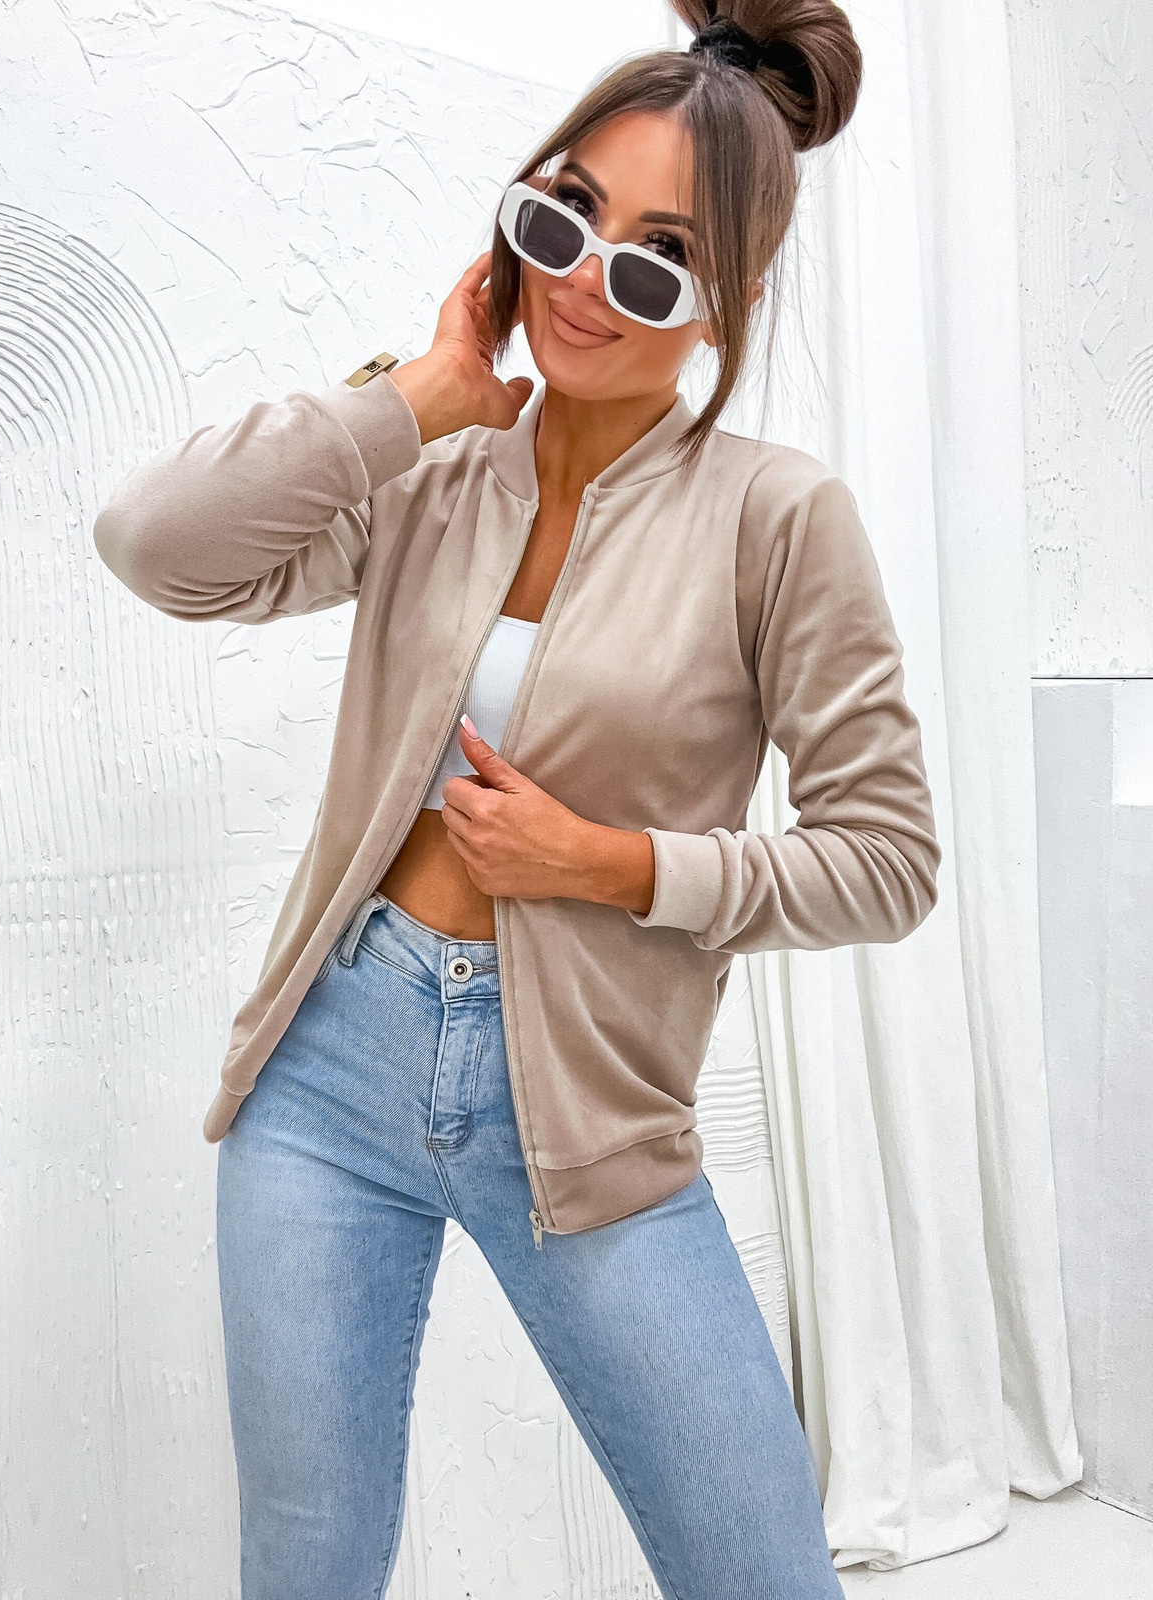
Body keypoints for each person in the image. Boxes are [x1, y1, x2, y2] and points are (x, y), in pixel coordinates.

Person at [93, 3, 939, 1595]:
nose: (585, 281)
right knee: (305, 1561)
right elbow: (156, 545)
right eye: (562, 217)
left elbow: (887, 860)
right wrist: (417, 396)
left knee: (759, 1570)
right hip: (328, 1072)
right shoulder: (432, 467)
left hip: (589, 1114)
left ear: (732, 300)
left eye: (657, 262)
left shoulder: (777, 519)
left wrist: (613, 864)